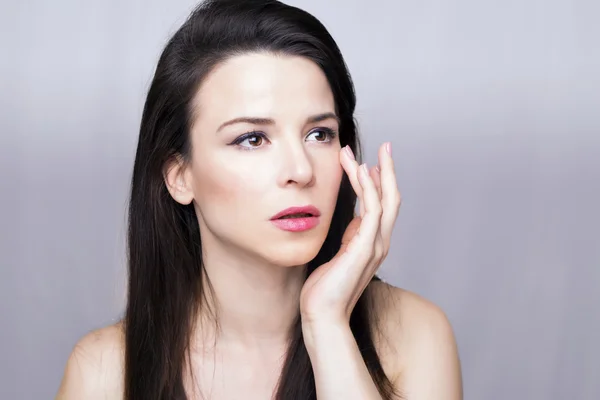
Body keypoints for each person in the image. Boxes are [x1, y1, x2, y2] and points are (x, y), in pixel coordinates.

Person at [56, 0, 462, 399]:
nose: (301, 171)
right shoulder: (103, 373)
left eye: (319, 134)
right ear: (180, 176)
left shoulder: (414, 334)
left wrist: (326, 325)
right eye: (252, 139)